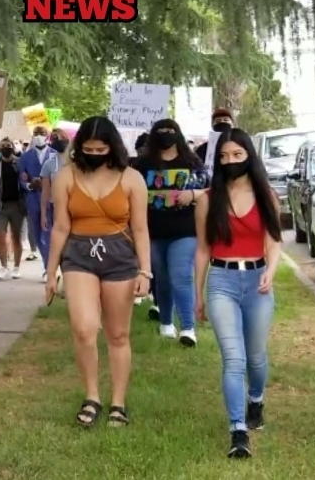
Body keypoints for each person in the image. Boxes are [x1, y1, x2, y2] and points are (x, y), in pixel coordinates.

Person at [45, 116, 150, 428]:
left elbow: (141, 229)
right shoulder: (66, 176)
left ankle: (118, 401)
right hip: (78, 255)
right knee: (84, 328)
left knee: (118, 333)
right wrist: (51, 273)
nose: (93, 154)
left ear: (112, 147)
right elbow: (60, 227)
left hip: (120, 256)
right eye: (87, 149)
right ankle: (92, 395)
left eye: (100, 148)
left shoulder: (132, 178)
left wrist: (146, 271)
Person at [194, 128, 281, 458]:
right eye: (223, 156)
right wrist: (198, 294)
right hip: (221, 281)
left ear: (249, 157)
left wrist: (270, 272)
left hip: (258, 279)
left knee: (256, 357)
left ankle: (255, 400)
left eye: (237, 155)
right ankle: (237, 431)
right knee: (234, 358)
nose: (230, 161)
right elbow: (202, 250)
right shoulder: (207, 201)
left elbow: (274, 241)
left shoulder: (266, 196)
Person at [134, 119, 208, 345]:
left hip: (185, 229)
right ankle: (166, 322)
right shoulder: (142, 165)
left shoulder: (192, 161)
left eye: (171, 131)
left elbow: (210, 188)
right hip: (152, 231)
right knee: (162, 278)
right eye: (161, 131)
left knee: (181, 276)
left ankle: (188, 328)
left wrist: (193, 195)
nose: (166, 135)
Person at [21, 125, 56, 265]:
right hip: (33, 200)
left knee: (48, 233)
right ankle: (47, 262)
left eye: (42, 133)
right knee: (36, 233)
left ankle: (49, 265)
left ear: (47, 135)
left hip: (51, 200)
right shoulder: (25, 156)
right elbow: (22, 178)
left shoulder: (54, 154)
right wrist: (30, 185)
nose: (39, 136)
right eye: (36, 133)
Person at [39, 128, 70, 283]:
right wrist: (43, 213)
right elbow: (45, 192)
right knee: (60, 243)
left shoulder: (76, 162)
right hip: (55, 209)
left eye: (60, 137)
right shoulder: (49, 164)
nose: (58, 140)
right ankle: (61, 275)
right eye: (54, 138)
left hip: (74, 208)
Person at [0, 138, 25, 279]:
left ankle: (16, 267)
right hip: (1, 205)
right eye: (3, 146)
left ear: (13, 147)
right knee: (0, 234)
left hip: (17, 204)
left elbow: (25, 179)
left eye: (8, 146)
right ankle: (3, 267)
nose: (6, 148)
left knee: (16, 236)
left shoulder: (19, 163)